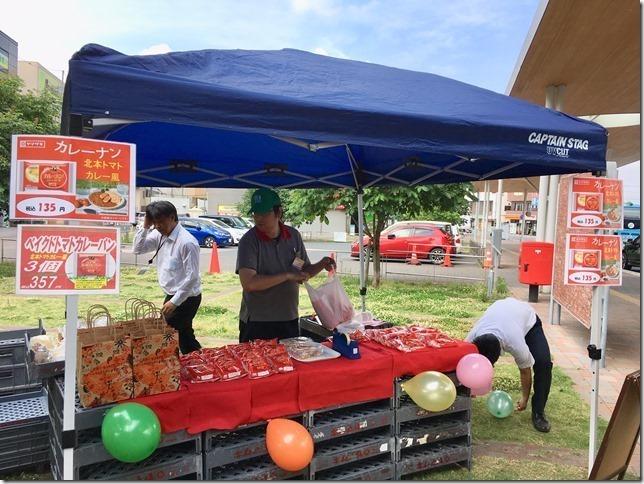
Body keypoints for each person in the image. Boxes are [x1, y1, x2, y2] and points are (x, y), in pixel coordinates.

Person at [236, 188, 336, 342]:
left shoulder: (293, 236)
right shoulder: (249, 241)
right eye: (255, 213)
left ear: (279, 213)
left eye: (264, 213)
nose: (258, 218)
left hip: (288, 317)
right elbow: (249, 283)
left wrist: (323, 263)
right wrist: (287, 275)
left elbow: (303, 271)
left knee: (288, 364)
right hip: (258, 321)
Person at [466, 297, 553, 433]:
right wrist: (471, 386)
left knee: (543, 363)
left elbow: (525, 370)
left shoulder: (514, 342)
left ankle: (538, 413)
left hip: (529, 321)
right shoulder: (472, 338)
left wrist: (524, 398)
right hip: (502, 310)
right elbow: (466, 364)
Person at [133, 201, 202, 354]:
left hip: (187, 297)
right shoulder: (160, 234)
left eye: (161, 222)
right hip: (172, 294)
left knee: (168, 335)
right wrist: (145, 226)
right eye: (154, 222)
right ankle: (200, 364)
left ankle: (175, 366)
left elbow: (192, 277)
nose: (157, 226)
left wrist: (175, 302)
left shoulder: (187, 242)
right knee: (184, 336)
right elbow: (138, 249)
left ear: (172, 218)